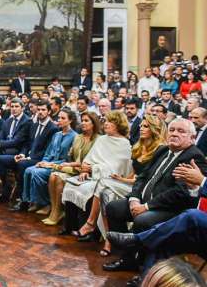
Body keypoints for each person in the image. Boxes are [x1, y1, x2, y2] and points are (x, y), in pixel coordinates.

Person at [103, 118, 207, 273]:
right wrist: (134, 199)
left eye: (181, 131)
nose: (174, 134)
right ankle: (128, 259)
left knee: (143, 220)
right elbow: (143, 176)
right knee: (113, 208)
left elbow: (180, 193)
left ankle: (145, 267)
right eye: (172, 130)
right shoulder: (163, 150)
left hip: (169, 209)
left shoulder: (194, 157)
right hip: (142, 201)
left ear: (192, 138)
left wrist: (145, 207)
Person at [95, 115, 167, 256]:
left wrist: (124, 181)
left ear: (154, 129)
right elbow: (134, 174)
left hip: (142, 189)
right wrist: (121, 179)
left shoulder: (160, 149)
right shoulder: (139, 146)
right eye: (141, 126)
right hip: (132, 184)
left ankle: (102, 234)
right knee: (105, 193)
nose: (141, 128)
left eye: (146, 126)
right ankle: (109, 237)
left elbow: (147, 179)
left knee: (104, 184)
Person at [61, 111, 132, 240]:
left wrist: (93, 168)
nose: (106, 124)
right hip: (93, 175)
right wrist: (84, 170)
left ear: (118, 124)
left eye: (110, 121)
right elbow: (88, 159)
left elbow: (116, 169)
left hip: (111, 179)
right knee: (71, 185)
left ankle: (93, 232)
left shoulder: (124, 144)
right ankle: (70, 226)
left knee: (90, 190)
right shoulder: (102, 140)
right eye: (105, 120)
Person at [47, 112, 101, 226]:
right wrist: (69, 163)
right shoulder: (78, 137)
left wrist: (70, 165)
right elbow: (71, 155)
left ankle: (58, 212)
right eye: (82, 120)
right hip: (76, 168)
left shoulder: (99, 139)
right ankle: (55, 210)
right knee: (52, 176)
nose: (83, 123)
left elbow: (93, 161)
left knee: (58, 177)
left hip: (88, 172)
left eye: (86, 120)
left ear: (94, 123)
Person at [4, 101, 59, 211]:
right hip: (30, 156)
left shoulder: (53, 128)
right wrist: (23, 154)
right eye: (39, 110)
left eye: (43, 110)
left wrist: (29, 158)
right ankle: (17, 196)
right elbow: (27, 144)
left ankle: (23, 200)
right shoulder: (34, 125)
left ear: (49, 112)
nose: (40, 112)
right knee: (15, 161)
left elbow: (47, 150)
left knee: (22, 165)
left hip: (41, 159)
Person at [21, 109, 78, 215]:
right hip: (48, 163)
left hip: (60, 165)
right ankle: (32, 200)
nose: (59, 120)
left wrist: (49, 164)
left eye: (63, 118)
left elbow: (70, 159)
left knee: (37, 173)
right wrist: (43, 162)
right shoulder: (56, 135)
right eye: (59, 118)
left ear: (70, 121)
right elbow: (48, 152)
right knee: (28, 170)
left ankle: (46, 203)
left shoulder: (74, 136)